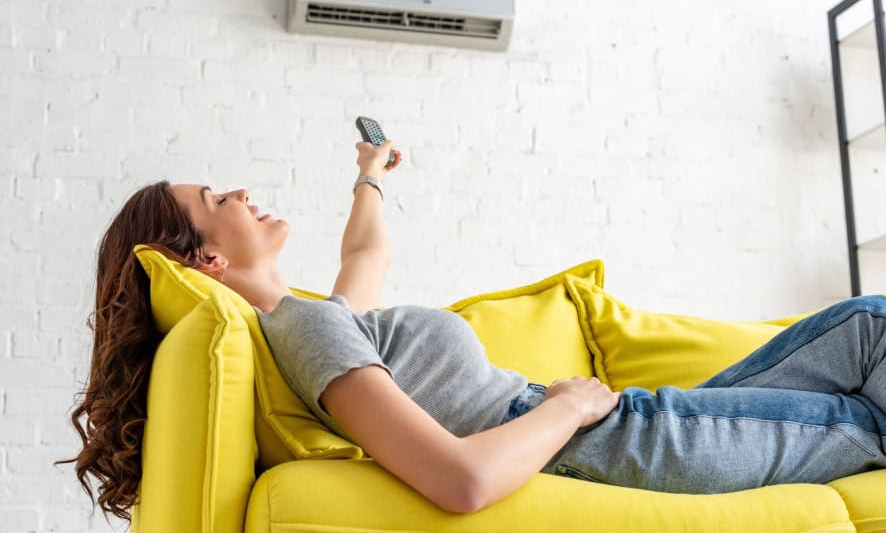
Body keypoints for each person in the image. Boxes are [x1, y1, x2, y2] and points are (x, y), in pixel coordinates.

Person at [60, 138, 886, 521]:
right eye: (216, 200)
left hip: (627, 429)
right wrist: (569, 405)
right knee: (871, 395)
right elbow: (459, 482)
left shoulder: (316, 318)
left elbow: (366, 255)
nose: (239, 191)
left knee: (865, 329)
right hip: (619, 439)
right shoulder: (306, 332)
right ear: (204, 258)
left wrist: (369, 178)